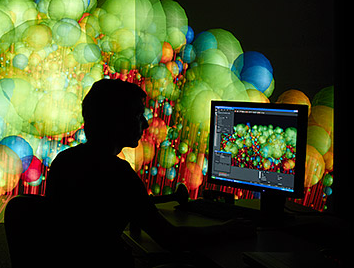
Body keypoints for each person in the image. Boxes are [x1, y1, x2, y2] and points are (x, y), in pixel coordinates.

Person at [44, 78, 255, 266]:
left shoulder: (65, 161)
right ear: (116, 122)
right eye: (137, 115)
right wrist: (227, 229)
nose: (145, 124)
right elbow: (170, 239)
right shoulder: (118, 174)